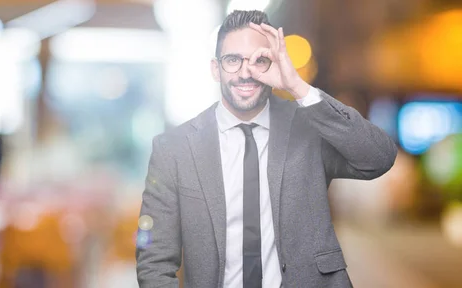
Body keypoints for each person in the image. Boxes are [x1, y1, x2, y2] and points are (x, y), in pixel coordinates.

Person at [136, 10, 397, 288]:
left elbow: (378, 157)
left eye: (259, 60)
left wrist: (298, 87)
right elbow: (154, 259)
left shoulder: (309, 128)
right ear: (216, 69)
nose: (245, 72)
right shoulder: (174, 149)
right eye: (233, 60)